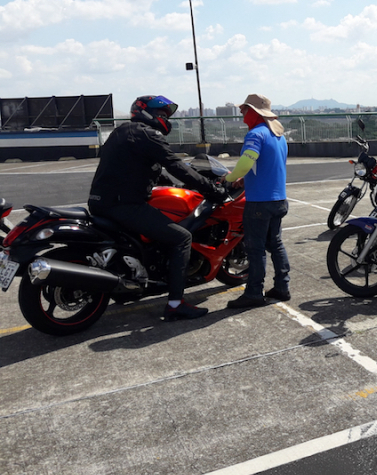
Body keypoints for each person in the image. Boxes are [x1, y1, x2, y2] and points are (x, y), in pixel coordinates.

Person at [88, 95, 226, 321]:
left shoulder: (121, 132)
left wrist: (174, 185)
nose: (164, 119)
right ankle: (175, 304)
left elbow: (145, 168)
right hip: (125, 205)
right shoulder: (148, 134)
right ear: (146, 113)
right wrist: (212, 189)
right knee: (181, 238)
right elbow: (176, 165)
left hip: (101, 202)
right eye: (161, 114)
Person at [225, 94, 292, 308]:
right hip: (279, 199)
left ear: (254, 112)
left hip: (259, 203)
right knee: (276, 244)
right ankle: (282, 287)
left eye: (244, 109)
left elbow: (246, 162)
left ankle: (254, 292)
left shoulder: (255, 134)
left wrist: (229, 178)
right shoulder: (277, 134)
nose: (242, 113)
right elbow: (268, 166)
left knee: (255, 249)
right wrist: (246, 180)